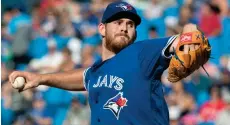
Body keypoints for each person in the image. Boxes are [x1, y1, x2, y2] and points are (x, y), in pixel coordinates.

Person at [9, 1, 204, 125]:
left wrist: (189, 28)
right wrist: (40, 78)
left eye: (130, 24)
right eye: (118, 22)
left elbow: (187, 36)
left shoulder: (141, 53)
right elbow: (83, 77)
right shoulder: (96, 72)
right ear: (102, 29)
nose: (124, 28)